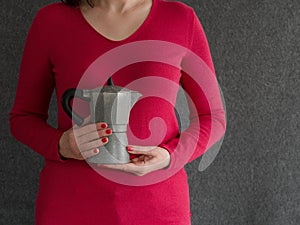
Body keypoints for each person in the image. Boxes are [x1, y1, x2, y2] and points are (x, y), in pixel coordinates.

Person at [9, 0, 226, 224]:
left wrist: (170, 155)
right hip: (70, 206)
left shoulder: (180, 19)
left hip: (158, 209)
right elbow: (23, 118)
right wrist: (62, 144)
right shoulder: (51, 21)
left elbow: (212, 117)